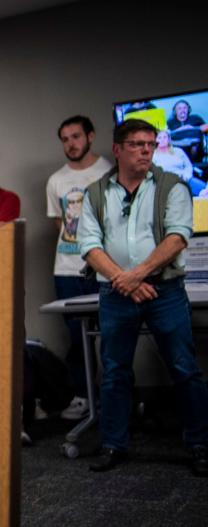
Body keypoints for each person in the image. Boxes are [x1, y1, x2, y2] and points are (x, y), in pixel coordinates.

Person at [77, 118, 208, 475]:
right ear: (117, 149)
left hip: (163, 290)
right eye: (137, 144)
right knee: (115, 372)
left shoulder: (173, 186)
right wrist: (124, 281)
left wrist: (134, 276)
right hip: (116, 294)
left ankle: (201, 446)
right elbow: (88, 246)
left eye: (150, 144)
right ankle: (113, 445)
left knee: (185, 369)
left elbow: (178, 236)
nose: (146, 150)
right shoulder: (95, 194)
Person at [45, 115, 112, 420]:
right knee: (76, 338)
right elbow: (60, 222)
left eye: (75, 136)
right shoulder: (56, 180)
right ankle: (85, 396)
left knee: (112, 335)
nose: (70, 143)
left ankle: (115, 397)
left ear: (90, 136)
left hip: (104, 268)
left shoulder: (108, 171)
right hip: (67, 269)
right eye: (65, 139)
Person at [153, 128, 204, 196]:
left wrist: (187, 175)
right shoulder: (153, 155)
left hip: (184, 178)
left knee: (204, 189)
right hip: (166, 181)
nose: (162, 140)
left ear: (169, 139)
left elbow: (188, 166)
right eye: (159, 138)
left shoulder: (178, 151)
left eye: (165, 137)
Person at [167, 99, 208, 164]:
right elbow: (165, 134)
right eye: (179, 108)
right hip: (177, 152)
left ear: (188, 110)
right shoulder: (170, 122)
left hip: (195, 151)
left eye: (185, 108)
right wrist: (181, 129)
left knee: (194, 144)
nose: (182, 110)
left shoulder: (195, 118)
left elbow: (206, 127)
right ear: (175, 111)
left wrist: (193, 128)